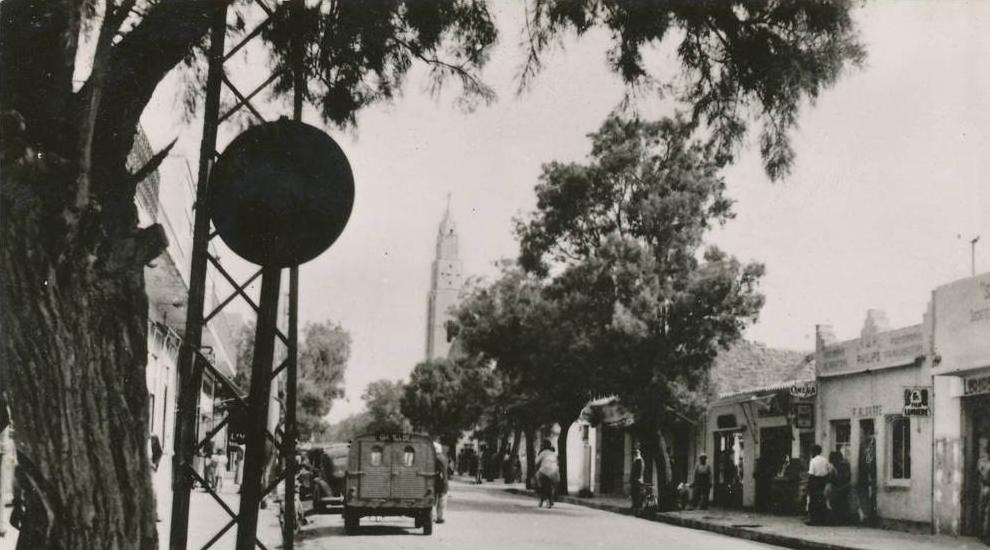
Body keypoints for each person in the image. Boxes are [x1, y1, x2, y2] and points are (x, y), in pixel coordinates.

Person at [807, 444, 830, 525]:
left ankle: (814, 520)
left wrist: (809, 486)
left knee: (813, 501)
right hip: (824, 481)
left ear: (814, 451)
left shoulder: (813, 461)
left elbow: (811, 474)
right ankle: (823, 519)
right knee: (822, 501)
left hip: (815, 482)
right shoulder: (825, 460)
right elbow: (828, 472)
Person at [534, 439, 560, 508]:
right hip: (554, 471)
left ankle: (544, 499)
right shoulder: (553, 453)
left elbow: (536, 462)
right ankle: (550, 498)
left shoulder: (543, 453)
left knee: (539, 481)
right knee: (553, 484)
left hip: (544, 471)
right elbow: (557, 462)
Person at [828, 451, 850, 524]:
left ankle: (839, 519)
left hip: (841, 488)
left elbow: (843, 477)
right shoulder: (842, 466)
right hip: (841, 487)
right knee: (841, 503)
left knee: (838, 503)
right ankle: (841, 519)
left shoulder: (841, 466)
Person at [434, 442, 450, 524]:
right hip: (443, 482)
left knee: (439, 499)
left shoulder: (436, 458)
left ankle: (439, 517)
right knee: (442, 499)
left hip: (440, 482)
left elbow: (440, 472)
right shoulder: (443, 457)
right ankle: (440, 516)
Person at [978, 439, 990, 544]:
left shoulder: (984, 460)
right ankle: (986, 536)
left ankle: (985, 535)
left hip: (986, 487)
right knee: (986, 512)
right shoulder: (984, 460)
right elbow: (983, 473)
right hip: (987, 486)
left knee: (985, 512)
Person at [630, 447, 645, 513]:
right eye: (635, 453)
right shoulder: (636, 460)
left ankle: (638, 507)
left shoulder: (640, 460)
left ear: (639, 453)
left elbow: (641, 470)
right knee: (634, 493)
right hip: (634, 480)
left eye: (637, 452)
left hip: (638, 480)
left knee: (638, 494)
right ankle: (635, 506)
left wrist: (638, 478)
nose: (636, 454)